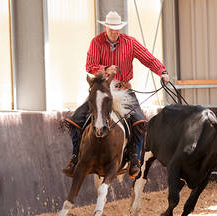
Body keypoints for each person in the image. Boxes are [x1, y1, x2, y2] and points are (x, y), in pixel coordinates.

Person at [62, 11, 169, 178]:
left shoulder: (130, 43)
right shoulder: (96, 42)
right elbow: (89, 65)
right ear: (105, 27)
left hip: (123, 89)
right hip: (102, 90)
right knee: (75, 120)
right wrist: (104, 70)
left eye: (117, 29)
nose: (114, 32)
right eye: (111, 28)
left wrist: (162, 71)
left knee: (139, 121)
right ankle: (76, 157)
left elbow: (148, 59)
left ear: (121, 28)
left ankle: (134, 159)